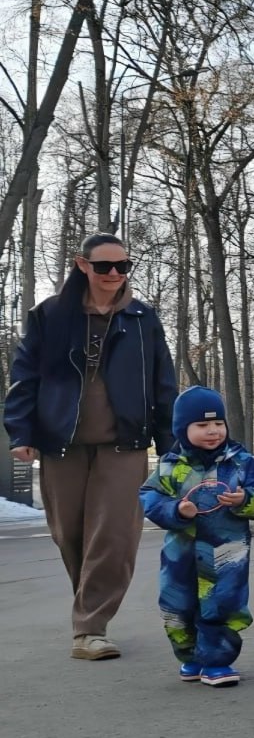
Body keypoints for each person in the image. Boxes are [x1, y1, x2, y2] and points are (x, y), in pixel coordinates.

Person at [4, 232, 177, 660]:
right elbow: (25, 376)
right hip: (61, 443)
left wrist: (170, 442)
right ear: (83, 266)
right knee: (70, 535)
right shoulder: (49, 315)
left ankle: (90, 628)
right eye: (104, 266)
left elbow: (163, 383)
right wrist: (21, 433)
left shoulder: (142, 319)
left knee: (113, 536)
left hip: (124, 444)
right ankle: (90, 604)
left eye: (123, 266)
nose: (114, 274)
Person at [139, 386, 254, 687]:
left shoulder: (241, 462)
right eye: (202, 424)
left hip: (226, 555)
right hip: (180, 554)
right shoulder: (171, 466)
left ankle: (217, 661)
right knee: (177, 606)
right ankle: (191, 656)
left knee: (222, 605)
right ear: (182, 429)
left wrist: (246, 499)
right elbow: (149, 497)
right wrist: (176, 510)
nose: (213, 431)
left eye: (218, 423)